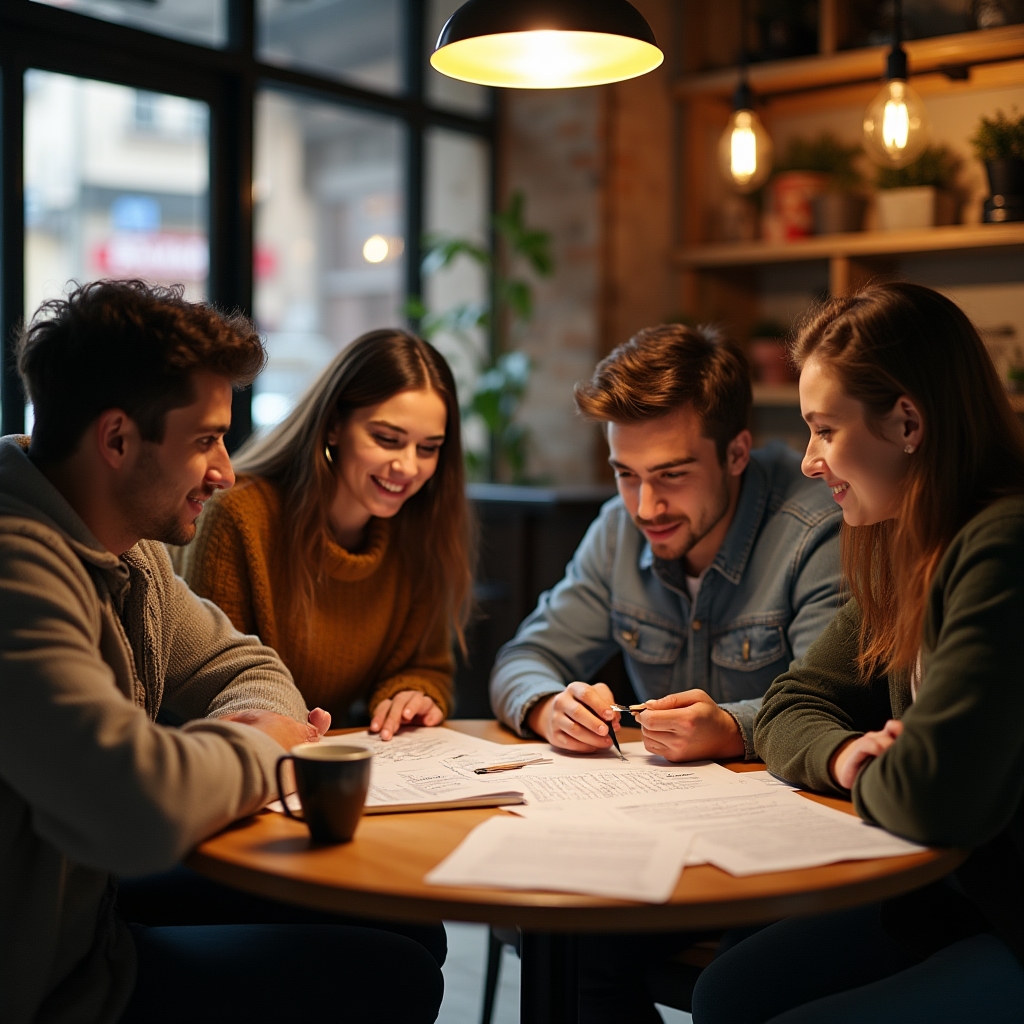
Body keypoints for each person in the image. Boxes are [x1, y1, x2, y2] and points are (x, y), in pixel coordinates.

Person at [0, 280, 444, 1024]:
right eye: (205, 439)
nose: (226, 471)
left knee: (405, 926)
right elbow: (134, 807)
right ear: (116, 439)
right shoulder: (18, 571)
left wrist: (258, 726)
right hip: (50, 990)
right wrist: (270, 745)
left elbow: (248, 666)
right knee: (391, 975)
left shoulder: (125, 549)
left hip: (90, 919)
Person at [691, 282, 1024, 1024]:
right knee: (723, 995)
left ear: (907, 422)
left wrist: (913, 772)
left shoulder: (1001, 544)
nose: (809, 461)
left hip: (1006, 917)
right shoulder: (905, 544)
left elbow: (937, 798)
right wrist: (851, 757)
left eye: (824, 430)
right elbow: (790, 703)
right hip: (944, 897)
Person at [490, 323, 842, 764]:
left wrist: (733, 729)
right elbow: (523, 658)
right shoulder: (619, 528)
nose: (646, 509)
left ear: (736, 454)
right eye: (626, 475)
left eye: (671, 475)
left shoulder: (817, 531)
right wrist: (549, 709)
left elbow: (834, 702)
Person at [180, 329, 474, 740]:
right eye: (387, 439)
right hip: (241, 755)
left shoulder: (421, 525)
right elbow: (215, 682)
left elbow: (425, 666)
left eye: (428, 448)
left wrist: (411, 694)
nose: (408, 467)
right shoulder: (238, 515)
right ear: (334, 425)